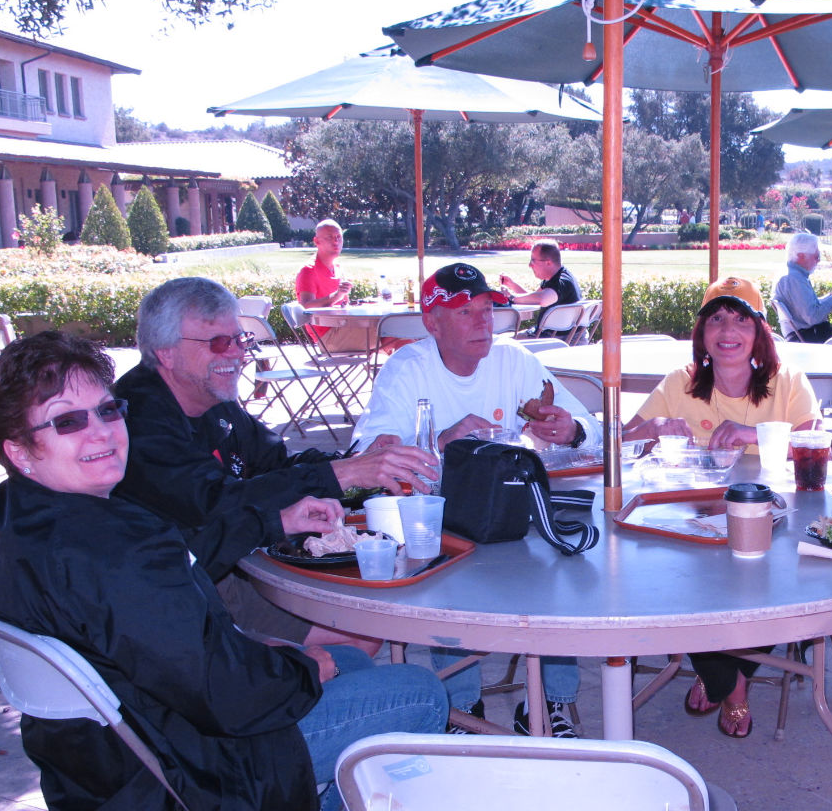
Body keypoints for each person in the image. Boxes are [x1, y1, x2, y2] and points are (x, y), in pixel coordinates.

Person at [0, 331, 450, 811]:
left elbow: (169, 639)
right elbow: (230, 694)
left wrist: (271, 535)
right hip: (184, 778)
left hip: (100, 767)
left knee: (363, 674)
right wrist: (307, 667)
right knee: (417, 696)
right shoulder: (115, 551)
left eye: (109, 410)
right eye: (67, 422)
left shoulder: (13, 521)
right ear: (19, 450)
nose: (101, 432)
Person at [114, 277, 432, 649]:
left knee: (369, 627)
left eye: (240, 340)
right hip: (177, 595)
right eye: (218, 343)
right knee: (361, 637)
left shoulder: (213, 398)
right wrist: (341, 474)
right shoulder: (134, 421)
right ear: (165, 352)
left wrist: (360, 463)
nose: (237, 354)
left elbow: (276, 464)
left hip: (229, 563)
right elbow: (212, 503)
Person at [352, 261, 599, 736]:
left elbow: (592, 428)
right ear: (432, 321)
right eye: (465, 312)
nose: (482, 322)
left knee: (563, 558)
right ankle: (462, 709)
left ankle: (549, 703)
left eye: (486, 309)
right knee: (445, 569)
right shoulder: (409, 368)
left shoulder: (514, 362)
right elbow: (367, 452)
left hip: (518, 508)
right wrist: (441, 443)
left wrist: (569, 429)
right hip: (443, 515)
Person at [623, 291, 823, 737]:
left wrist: (751, 433)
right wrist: (653, 428)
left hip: (775, 514)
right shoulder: (682, 381)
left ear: (759, 332)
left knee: (773, 578)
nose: (727, 332)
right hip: (693, 522)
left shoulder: (787, 380)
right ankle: (731, 682)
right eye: (715, 321)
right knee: (681, 579)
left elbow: (814, 444)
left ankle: (721, 675)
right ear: (701, 333)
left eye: (741, 321)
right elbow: (624, 438)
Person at [773, 231, 832, 343]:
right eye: (816, 256)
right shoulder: (794, 279)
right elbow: (812, 317)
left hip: (807, 335)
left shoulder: (792, 274)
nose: (818, 260)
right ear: (801, 256)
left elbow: (805, 307)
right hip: (811, 337)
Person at [498, 239, 582, 329]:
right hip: (556, 337)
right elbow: (533, 298)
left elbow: (542, 299)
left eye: (533, 260)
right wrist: (512, 285)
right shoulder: (555, 278)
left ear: (548, 262)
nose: (530, 265)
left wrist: (511, 297)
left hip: (557, 339)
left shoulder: (561, 281)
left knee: (499, 341)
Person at [295, 219, 353, 309]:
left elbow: (345, 305)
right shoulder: (308, 270)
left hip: (342, 322)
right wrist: (336, 296)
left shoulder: (338, 268)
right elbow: (306, 306)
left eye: (339, 237)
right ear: (317, 241)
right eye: (330, 237)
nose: (336, 242)